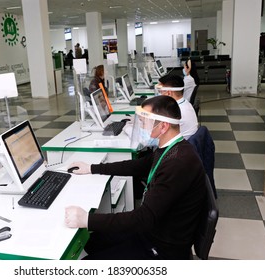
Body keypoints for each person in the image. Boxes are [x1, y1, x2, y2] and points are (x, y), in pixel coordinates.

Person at [65, 95, 207, 260]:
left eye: (144, 122)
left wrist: (86, 219)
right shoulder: (170, 148)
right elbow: (138, 165)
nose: (140, 126)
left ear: (163, 126)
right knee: (93, 242)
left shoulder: (178, 162)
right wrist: (92, 168)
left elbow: (143, 218)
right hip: (153, 228)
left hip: (163, 246)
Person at [156, 74, 198, 140]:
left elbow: (156, 136)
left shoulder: (175, 112)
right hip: (185, 144)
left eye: (160, 91)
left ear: (169, 93)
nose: (159, 94)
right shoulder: (185, 103)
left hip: (176, 146)